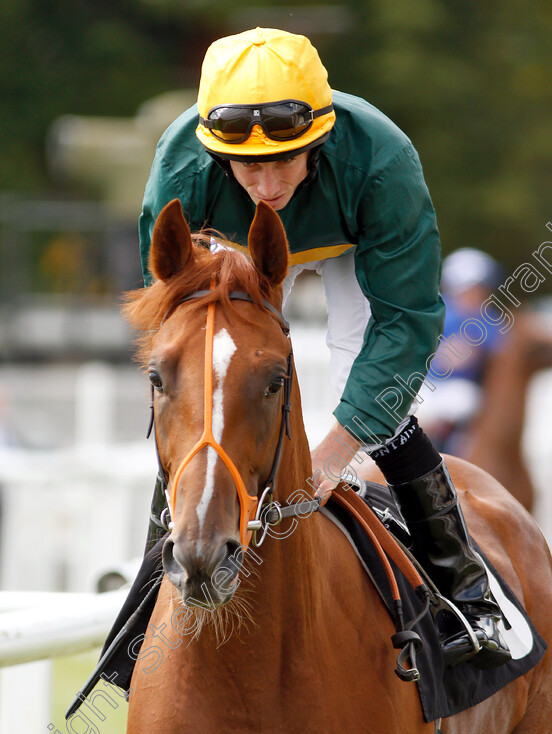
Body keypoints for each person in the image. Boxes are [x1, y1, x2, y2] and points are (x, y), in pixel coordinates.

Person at [116, 27, 511, 674]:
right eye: (249, 166)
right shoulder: (182, 170)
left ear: (319, 142)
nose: (268, 186)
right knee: (209, 392)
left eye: (284, 162)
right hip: (232, 247)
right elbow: (173, 318)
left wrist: (335, 450)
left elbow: (405, 323)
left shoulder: (383, 162)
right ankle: (145, 603)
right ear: (219, 156)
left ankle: (467, 592)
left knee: (366, 385)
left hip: (351, 246)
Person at [419, 247, 507, 453]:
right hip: (427, 383)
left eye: (482, 288)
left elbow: (498, 352)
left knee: (463, 402)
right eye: (473, 288)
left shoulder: (489, 319)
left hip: (463, 385)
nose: (479, 293)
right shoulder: (439, 311)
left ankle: (451, 453)